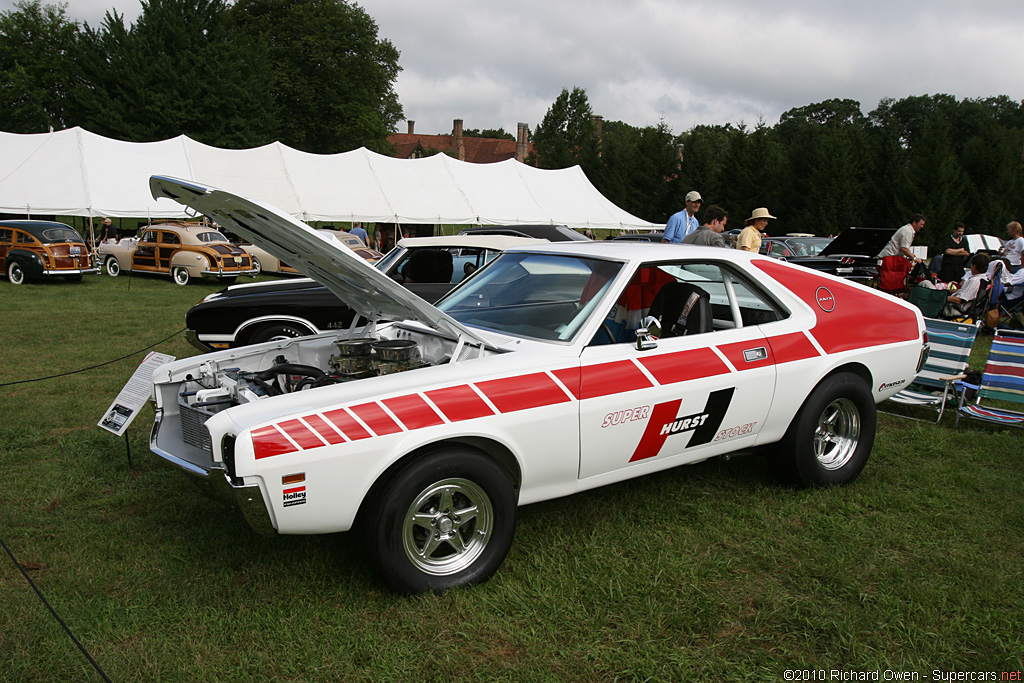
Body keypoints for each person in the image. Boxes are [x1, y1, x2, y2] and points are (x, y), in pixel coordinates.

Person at [877, 213, 925, 295]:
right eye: (921, 224)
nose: (922, 227)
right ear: (914, 223)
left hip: (892, 258)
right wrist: (915, 258)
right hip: (889, 258)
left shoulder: (907, 230)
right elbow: (904, 248)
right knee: (889, 280)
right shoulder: (907, 231)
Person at [944, 253, 990, 318]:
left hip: (954, 309)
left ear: (974, 266)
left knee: (926, 284)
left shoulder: (974, 281)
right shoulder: (984, 279)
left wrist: (940, 297)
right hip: (958, 306)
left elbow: (959, 300)